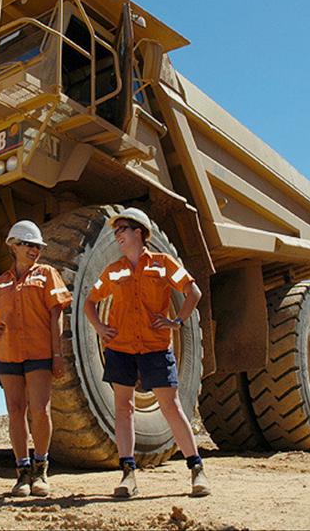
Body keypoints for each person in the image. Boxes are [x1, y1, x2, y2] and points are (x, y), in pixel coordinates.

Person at [84, 207, 211, 498]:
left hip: (155, 348)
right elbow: (90, 301)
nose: (117, 235)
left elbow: (193, 292)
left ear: (138, 232)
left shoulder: (164, 264)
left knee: (171, 407)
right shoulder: (112, 271)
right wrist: (100, 328)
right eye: (115, 232)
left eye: (122, 230)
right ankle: (128, 475)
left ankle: (196, 470)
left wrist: (177, 321)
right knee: (123, 408)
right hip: (121, 349)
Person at [0, 220, 72, 497]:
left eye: (37, 246)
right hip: (7, 354)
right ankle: (22, 472)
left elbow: (56, 314)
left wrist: (57, 354)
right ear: (13, 246)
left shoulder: (47, 275)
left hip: (39, 353)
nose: (34, 250)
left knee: (40, 410)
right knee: (16, 412)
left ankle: (40, 469)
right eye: (28, 245)